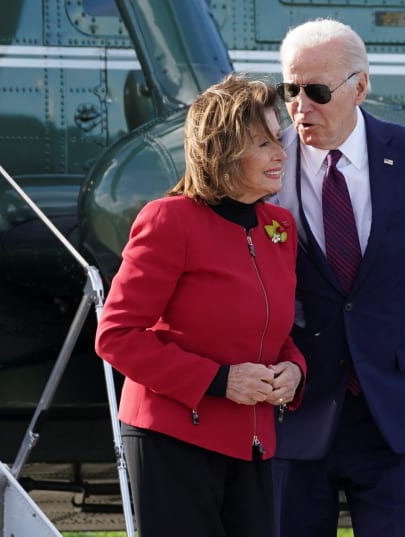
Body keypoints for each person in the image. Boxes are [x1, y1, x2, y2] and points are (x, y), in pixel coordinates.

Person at [270, 18, 405, 537]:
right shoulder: (264, 162)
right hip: (295, 413)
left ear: (360, 86)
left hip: (397, 416)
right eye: (290, 90)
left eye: (318, 91)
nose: (302, 107)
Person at [94, 73, 307, 537]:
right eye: (264, 143)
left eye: (279, 139)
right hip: (173, 443)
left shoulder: (280, 227)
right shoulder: (169, 220)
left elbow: (274, 328)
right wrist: (219, 381)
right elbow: (116, 336)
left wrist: (294, 370)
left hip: (253, 445)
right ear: (223, 150)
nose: (281, 154)